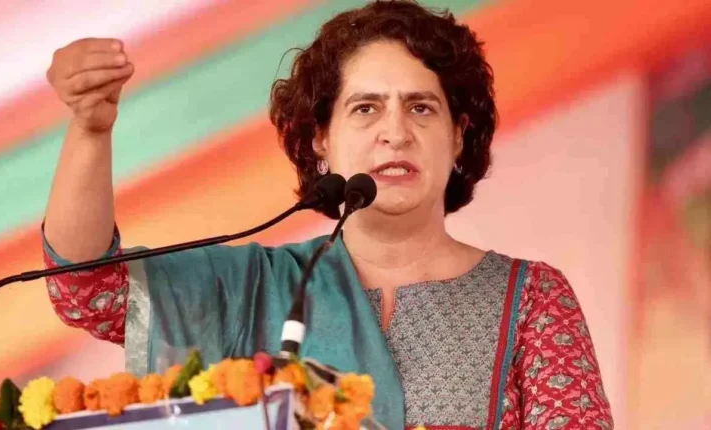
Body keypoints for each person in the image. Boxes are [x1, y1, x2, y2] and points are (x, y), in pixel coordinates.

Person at [41, 1, 613, 428]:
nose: (395, 132)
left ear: (458, 136)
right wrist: (90, 131)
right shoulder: (253, 290)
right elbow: (86, 289)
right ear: (321, 139)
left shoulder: (532, 300)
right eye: (366, 108)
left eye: (421, 107)